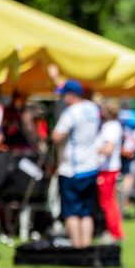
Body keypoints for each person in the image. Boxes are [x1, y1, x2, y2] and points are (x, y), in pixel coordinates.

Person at [51, 80, 101, 248]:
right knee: (86, 211)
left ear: (71, 96)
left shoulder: (70, 113)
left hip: (71, 168)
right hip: (91, 166)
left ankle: (76, 246)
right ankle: (85, 245)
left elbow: (56, 136)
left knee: (71, 210)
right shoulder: (93, 108)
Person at [95, 99, 124, 242]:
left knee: (108, 203)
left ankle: (114, 233)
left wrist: (90, 149)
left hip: (108, 170)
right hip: (109, 169)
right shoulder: (112, 125)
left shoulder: (110, 127)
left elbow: (108, 149)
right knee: (108, 202)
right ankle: (114, 231)